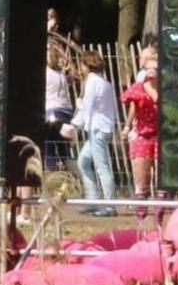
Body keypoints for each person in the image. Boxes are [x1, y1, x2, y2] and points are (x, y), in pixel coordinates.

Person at [70, 52, 119, 216]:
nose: (80, 67)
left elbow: (88, 108)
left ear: (87, 65)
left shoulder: (92, 82)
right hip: (101, 128)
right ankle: (93, 201)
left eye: (82, 64)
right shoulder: (105, 83)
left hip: (97, 129)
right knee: (83, 161)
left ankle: (109, 206)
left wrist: (73, 125)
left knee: (102, 167)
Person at [121, 43, 159, 211]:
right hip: (143, 134)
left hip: (160, 135)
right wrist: (128, 125)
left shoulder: (166, 86)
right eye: (144, 59)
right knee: (142, 180)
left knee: (161, 181)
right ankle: (141, 221)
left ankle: (159, 222)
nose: (142, 60)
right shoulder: (138, 84)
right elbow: (133, 106)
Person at [43, 44, 75, 169]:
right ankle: (69, 172)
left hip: (51, 111)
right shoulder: (61, 74)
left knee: (48, 144)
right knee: (63, 145)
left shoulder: (45, 72)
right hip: (66, 112)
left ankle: (51, 172)